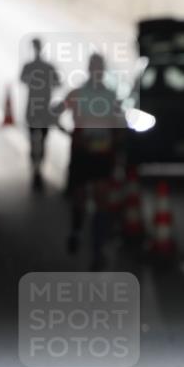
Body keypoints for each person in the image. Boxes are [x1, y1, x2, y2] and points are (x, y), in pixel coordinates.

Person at [54, 53, 126, 269]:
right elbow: (120, 125)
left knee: (86, 198)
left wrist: (67, 131)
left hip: (88, 154)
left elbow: (55, 112)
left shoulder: (82, 94)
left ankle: (88, 241)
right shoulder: (108, 95)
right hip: (96, 155)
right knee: (91, 199)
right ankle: (91, 243)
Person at [19, 38, 61, 190]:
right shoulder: (46, 67)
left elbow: (23, 80)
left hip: (35, 108)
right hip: (39, 108)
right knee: (40, 140)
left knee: (37, 140)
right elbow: (57, 82)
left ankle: (36, 169)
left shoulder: (31, 67)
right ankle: (37, 169)